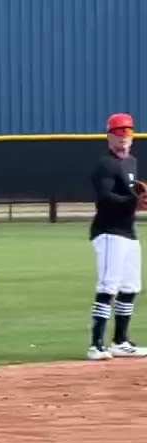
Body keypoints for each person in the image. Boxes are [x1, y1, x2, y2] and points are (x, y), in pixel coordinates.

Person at [87, 112, 147, 360]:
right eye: (118, 132)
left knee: (130, 286)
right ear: (109, 136)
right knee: (108, 286)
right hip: (109, 231)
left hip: (128, 231)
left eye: (128, 132)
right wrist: (135, 201)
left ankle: (120, 341)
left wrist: (138, 200)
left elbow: (129, 196)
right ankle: (96, 345)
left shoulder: (131, 162)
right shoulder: (106, 164)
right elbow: (105, 197)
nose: (124, 136)